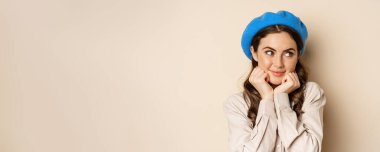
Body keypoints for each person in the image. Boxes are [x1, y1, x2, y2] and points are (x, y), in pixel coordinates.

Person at [223, 10, 326, 152]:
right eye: (269, 52)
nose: (278, 63)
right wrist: (267, 99)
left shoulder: (311, 93)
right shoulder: (237, 104)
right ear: (254, 53)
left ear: (298, 55)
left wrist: (281, 99)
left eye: (288, 53)